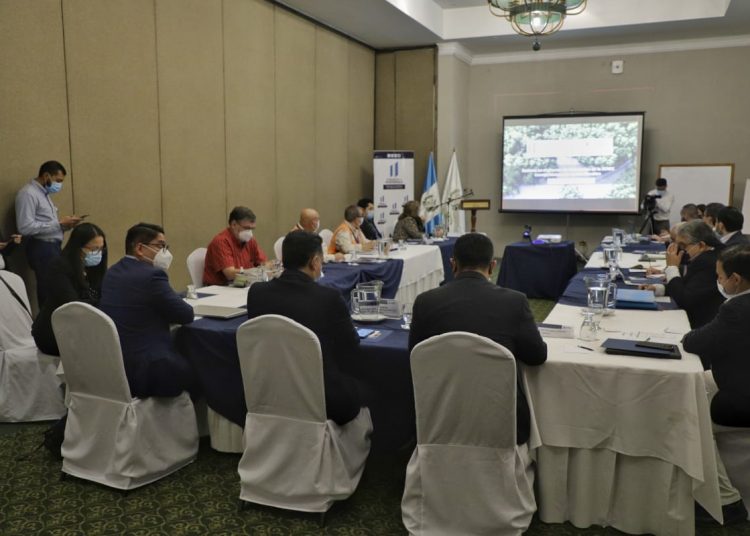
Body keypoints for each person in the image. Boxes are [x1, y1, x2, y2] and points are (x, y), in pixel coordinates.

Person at [408, 233, 547, 444]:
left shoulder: (425, 302)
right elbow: (537, 356)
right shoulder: (514, 302)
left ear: (453, 264)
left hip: (439, 420)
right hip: (502, 424)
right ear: (492, 266)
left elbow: (415, 357)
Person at [246, 230, 366, 425]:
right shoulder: (328, 298)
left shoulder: (257, 293)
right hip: (321, 397)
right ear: (315, 261)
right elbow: (350, 346)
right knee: (369, 385)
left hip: (269, 390)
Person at [682, 244, 750, 525]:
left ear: (736, 279)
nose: (718, 283)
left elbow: (696, 342)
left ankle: (726, 499)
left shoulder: (737, 308)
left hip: (742, 398)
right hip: (741, 378)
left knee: (689, 412)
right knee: (693, 384)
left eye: (720, 277)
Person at [99, 223, 196, 398]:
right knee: (203, 369)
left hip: (114, 364)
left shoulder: (112, 272)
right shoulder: (152, 276)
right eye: (160, 246)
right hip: (147, 368)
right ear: (140, 249)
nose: (165, 253)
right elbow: (186, 315)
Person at [32, 223, 107, 356]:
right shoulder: (59, 266)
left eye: (101, 249)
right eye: (94, 249)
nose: (98, 253)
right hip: (54, 332)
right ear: (78, 247)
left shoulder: (95, 269)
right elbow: (72, 305)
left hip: (84, 328)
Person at [15, 161, 82, 305]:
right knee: (48, 290)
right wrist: (58, 223)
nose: (59, 185)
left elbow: (48, 225)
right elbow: (25, 227)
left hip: (52, 247)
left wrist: (66, 225)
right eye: (58, 180)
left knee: (56, 289)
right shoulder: (28, 194)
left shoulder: (44, 194)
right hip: (41, 247)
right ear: (46, 176)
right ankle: (47, 319)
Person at [641, 220, 725, 328]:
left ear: (701, 245)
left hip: (702, 324)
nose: (681, 250)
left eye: (683, 246)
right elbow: (688, 286)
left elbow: (684, 299)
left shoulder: (708, 262)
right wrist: (659, 289)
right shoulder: (709, 255)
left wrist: (672, 268)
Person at [203, 206, 268, 286]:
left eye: (252, 229)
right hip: (219, 288)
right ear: (234, 224)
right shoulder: (221, 241)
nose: (250, 232)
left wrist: (268, 268)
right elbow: (230, 274)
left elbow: (264, 263)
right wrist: (256, 272)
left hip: (241, 285)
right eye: (247, 228)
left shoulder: (250, 240)